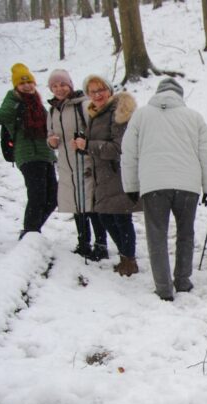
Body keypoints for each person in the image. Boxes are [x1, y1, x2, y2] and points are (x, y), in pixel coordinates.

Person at [121, 77, 207, 302]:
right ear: (179, 95)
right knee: (186, 233)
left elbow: (129, 153)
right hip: (188, 185)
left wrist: (131, 186)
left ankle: (163, 288)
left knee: (157, 235)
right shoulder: (194, 117)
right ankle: (183, 280)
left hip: (154, 184)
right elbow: (206, 154)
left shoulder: (141, 115)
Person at [74, 76, 140, 276]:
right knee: (106, 216)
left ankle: (129, 261)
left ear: (109, 91)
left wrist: (88, 146)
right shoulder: (96, 113)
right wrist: (84, 146)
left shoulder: (117, 113)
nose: (97, 95)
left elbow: (119, 148)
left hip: (118, 173)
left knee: (120, 218)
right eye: (92, 91)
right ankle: (125, 257)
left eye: (101, 89)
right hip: (102, 175)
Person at [46, 69, 107, 261]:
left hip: (86, 160)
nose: (59, 89)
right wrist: (52, 142)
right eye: (54, 86)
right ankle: (83, 242)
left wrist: (85, 142)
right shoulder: (53, 109)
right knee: (76, 205)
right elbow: (50, 134)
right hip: (66, 163)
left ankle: (101, 244)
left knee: (90, 204)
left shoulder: (84, 105)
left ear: (70, 85)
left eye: (62, 85)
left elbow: (97, 130)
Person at [0, 63, 57, 239]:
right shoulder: (12, 102)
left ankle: (31, 230)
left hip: (46, 155)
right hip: (27, 155)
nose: (27, 86)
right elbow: (0, 116)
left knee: (52, 197)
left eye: (29, 82)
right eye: (22, 83)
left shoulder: (38, 103)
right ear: (16, 86)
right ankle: (31, 231)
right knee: (37, 194)